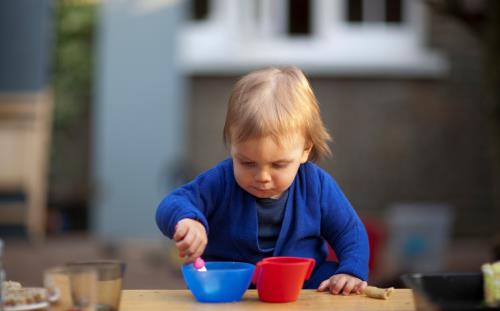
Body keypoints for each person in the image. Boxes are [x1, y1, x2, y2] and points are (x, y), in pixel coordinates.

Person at [156, 66, 369, 295]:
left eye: (278, 165)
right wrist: (187, 220)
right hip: (233, 286)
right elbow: (171, 204)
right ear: (232, 146)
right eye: (247, 163)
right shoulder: (220, 181)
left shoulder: (316, 186)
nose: (262, 177)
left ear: (305, 150)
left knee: (333, 279)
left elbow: (350, 232)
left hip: (302, 286)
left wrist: (351, 272)